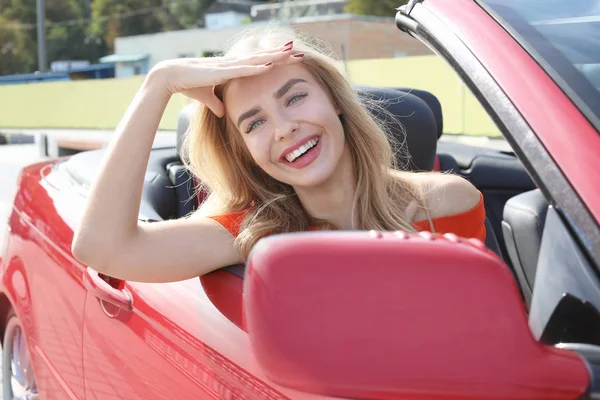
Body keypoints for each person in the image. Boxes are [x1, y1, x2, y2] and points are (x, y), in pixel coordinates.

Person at [72, 27, 485, 284]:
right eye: (254, 124)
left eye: (296, 97)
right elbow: (102, 248)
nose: (284, 128)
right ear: (246, 153)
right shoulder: (251, 233)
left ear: (335, 101)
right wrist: (158, 84)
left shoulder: (446, 202)